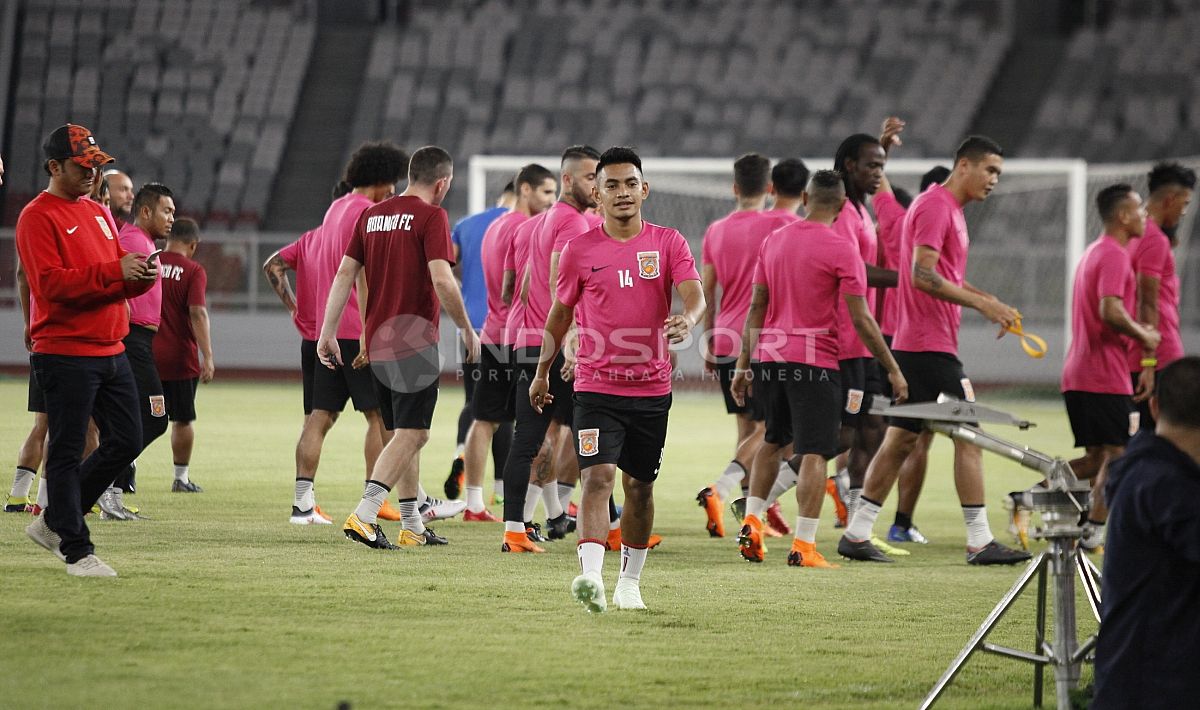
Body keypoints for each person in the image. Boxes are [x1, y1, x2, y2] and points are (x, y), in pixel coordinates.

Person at [837, 135, 1030, 566]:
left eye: (999, 172)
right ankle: (980, 541)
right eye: (990, 170)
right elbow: (922, 275)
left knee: (901, 440)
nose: (994, 180)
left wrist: (991, 303)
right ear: (964, 165)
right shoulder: (936, 206)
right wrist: (984, 303)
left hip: (919, 344)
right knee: (970, 435)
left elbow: (942, 275)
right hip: (928, 347)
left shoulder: (950, 210)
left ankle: (857, 531)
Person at [530, 146, 704, 611]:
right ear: (596, 193)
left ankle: (630, 582)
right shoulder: (578, 251)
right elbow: (560, 314)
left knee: (639, 487)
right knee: (597, 478)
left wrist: (688, 318)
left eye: (630, 184)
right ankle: (591, 579)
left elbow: (694, 295)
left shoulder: (669, 243)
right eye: (611, 185)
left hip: (651, 389)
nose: (622, 192)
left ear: (644, 190)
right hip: (595, 385)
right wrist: (543, 371)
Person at [731, 169, 908, 566]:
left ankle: (755, 520)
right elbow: (861, 319)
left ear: (806, 200)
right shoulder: (841, 247)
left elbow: (756, 305)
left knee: (772, 442)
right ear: (843, 205)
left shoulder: (773, 241)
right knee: (815, 452)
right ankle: (804, 545)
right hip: (815, 362)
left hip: (770, 360)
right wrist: (893, 368)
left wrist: (744, 363)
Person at [322, 145, 479, 549]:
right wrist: (466, 329)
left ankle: (412, 524)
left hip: (377, 341)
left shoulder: (371, 215)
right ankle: (364, 514)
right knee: (415, 434)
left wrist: (328, 332)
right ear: (442, 183)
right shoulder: (432, 216)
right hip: (413, 340)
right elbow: (443, 280)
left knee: (400, 433)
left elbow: (344, 273)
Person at [19, 123, 157, 576]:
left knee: (127, 439)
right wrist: (117, 273)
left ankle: (58, 516)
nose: (93, 176)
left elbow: (112, 275)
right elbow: (51, 285)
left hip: (109, 346)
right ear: (54, 166)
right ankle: (76, 549)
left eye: (97, 167)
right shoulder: (37, 216)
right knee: (66, 447)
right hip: (65, 349)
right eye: (84, 167)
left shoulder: (97, 213)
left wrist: (137, 277)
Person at [289, 142, 410, 525]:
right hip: (358, 330)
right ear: (382, 178)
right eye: (392, 181)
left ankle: (303, 503)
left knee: (319, 416)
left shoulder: (335, 208)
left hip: (330, 327)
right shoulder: (368, 213)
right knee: (381, 417)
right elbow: (363, 274)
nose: (394, 189)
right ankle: (378, 499)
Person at [500, 145, 600, 553]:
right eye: (592, 177)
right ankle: (595, 523)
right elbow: (565, 287)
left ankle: (523, 526)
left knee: (536, 437)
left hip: (527, 339)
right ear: (568, 179)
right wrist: (574, 337)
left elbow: (520, 286)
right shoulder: (574, 225)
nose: (598, 185)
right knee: (594, 431)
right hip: (556, 346)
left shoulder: (535, 224)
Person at [697, 153, 798, 538]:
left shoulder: (716, 230)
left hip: (722, 337)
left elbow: (708, 288)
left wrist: (707, 340)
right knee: (772, 428)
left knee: (747, 429)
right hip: (759, 340)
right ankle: (721, 489)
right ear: (770, 189)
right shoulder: (780, 224)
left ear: (735, 188)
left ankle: (750, 510)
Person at [1091, 356, 1200, 708]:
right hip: (1158, 687)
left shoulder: (1143, 472)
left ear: (1154, 406)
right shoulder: (1171, 488)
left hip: (1132, 679)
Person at [1061, 184, 1160, 552]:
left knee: (1097, 458)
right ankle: (1094, 534)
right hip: (1102, 373)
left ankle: (1030, 497)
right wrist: (1144, 336)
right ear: (1122, 216)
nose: (1144, 216)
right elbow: (1110, 310)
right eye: (1139, 209)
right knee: (1119, 455)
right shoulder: (1115, 255)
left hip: (1080, 372)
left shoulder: (1093, 252)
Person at [460, 165, 556, 521]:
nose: (551, 201)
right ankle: (551, 508)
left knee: (483, 419)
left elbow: (497, 288)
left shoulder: (494, 226)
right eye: (546, 193)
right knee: (539, 425)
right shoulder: (527, 229)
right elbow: (522, 288)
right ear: (526, 189)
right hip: (519, 338)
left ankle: (474, 503)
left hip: (492, 334)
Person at [874, 164, 951, 544]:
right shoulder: (935, 221)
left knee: (882, 433)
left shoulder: (897, 221)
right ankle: (901, 522)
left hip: (885, 339)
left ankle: (857, 513)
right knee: (915, 437)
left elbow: (879, 185)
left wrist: (884, 149)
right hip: (918, 341)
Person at [99, 183, 178, 519]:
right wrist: (123, 306)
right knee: (155, 418)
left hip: (141, 342)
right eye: (166, 211)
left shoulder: (144, 242)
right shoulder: (132, 240)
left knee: (133, 421)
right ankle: (104, 483)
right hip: (131, 341)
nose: (172, 218)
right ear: (146, 211)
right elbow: (114, 276)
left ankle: (111, 493)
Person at [444, 182, 517, 499]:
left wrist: (466, 288)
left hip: (471, 325)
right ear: (524, 192)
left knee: (475, 402)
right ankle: (501, 489)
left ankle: (461, 451)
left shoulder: (466, 225)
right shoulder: (523, 224)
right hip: (508, 327)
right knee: (504, 412)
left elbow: (443, 266)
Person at [1127, 162, 1194, 432]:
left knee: (1125, 446)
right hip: (1159, 354)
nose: (1185, 211)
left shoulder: (1129, 233)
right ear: (1170, 199)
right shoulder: (1153, 239)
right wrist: (1149, 362)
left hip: (1135, 351)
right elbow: (1148, 301)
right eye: (1185, 203)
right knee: (1169, 438)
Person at [152, 217, 216, 496]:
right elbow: (197, 312)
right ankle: (181, 478)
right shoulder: (193, 270)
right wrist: (208, 356)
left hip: (146, 358)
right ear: (193, 244)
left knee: (140, 419)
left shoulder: (149, 263)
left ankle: (122, 473)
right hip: (180, 361)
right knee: (182, 419)